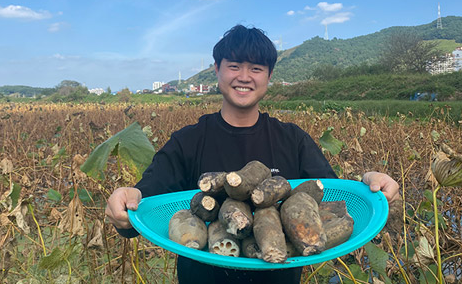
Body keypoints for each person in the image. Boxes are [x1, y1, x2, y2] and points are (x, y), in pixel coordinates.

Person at [105, 25, 400, 284]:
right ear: (217, 69)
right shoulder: (188, 140)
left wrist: (369, 184)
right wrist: (125, 204)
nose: (244, 77)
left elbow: (333, 202)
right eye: (234, 66)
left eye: (256, 69)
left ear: (269, 76)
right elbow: (145, 204)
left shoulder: (293, 139)